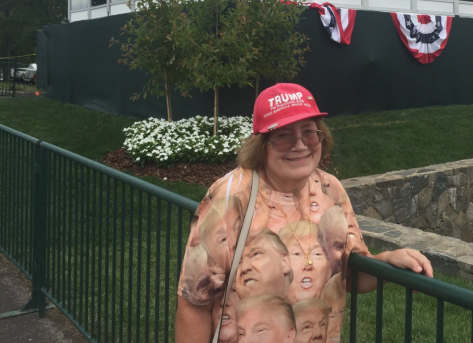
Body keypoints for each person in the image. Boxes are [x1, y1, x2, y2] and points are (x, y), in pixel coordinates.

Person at [175, 82, 433, 342]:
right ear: (262, 145)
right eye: (283, 136)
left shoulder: (331, 190)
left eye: (309, 132)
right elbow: (194, 302)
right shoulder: (230, 196)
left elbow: (348, 276)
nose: (300, 145)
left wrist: (388, 262)